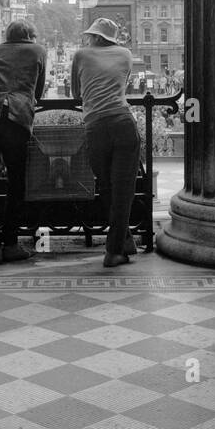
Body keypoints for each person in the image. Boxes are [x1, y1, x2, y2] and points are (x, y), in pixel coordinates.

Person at [0, 21, 47, 263]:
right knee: (16, 183)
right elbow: (38, 92)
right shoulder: (38, 51)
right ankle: (11, 243)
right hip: (15, 119)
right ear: (29, 35)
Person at [71, 17, 140, 268]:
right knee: (123, 190)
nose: (88, 39)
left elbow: (75, 94)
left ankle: (115, 249)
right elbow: (124, 83)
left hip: (95, 127)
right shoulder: (125, 54)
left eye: (91, 35)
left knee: (108, 188)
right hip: (123, 123)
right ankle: (121, 245)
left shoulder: (81, 56)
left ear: (96, 37)